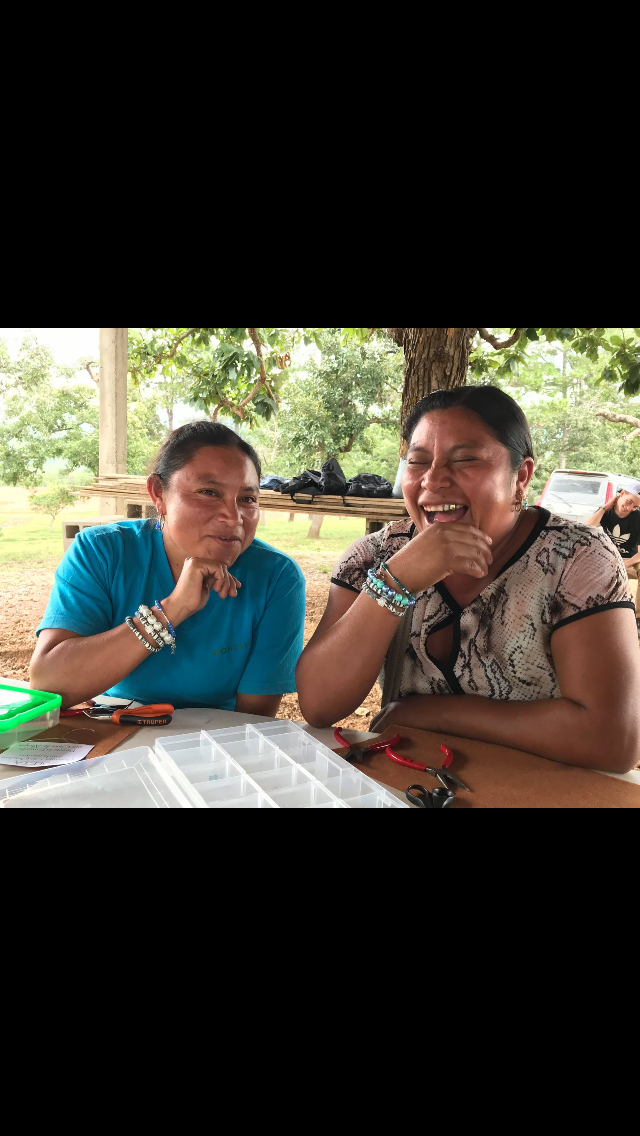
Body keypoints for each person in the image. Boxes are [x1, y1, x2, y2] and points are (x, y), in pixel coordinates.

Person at [296, 386, 640, 773]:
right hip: (409, 782)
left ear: (521, 475)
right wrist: (395, 582)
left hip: (542, 790)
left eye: (465, 460)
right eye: (417, 462)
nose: (432, 480)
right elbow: (319, 705)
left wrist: (431, 714)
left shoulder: (577, 557)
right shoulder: (372, 556)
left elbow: (613, 738)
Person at [30, 421, 305, 714]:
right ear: (158, 493)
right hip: (115, 722)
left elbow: (254, 720)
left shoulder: (277, 577)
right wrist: (171, 611)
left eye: (247, 499)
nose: (233, 516)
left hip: (216, 735)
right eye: (209, 492)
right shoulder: (103, 552)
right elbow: (48, 683)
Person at [586, 485, 640, 632]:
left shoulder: (638, 518)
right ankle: (591, 613)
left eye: (635, 506)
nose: (630, 508)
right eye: (629, 502)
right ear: (621, 494)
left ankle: (638, 619)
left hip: (630, 560)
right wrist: (604, 508)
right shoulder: (606, 512)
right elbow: (586, 528)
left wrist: (627, 563)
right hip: (609, 557)